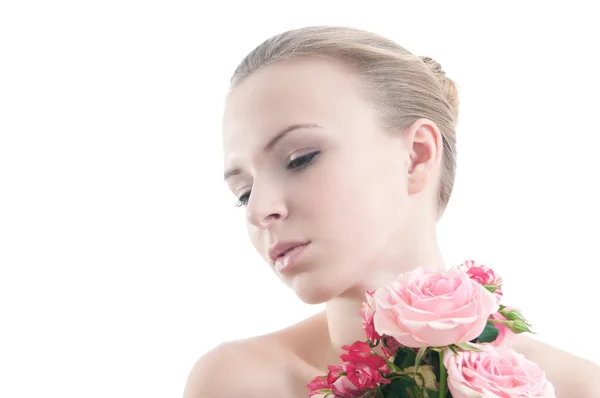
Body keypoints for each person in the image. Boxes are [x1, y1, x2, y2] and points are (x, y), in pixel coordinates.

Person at [184, 26, 600, 397]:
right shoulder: (239, 384)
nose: (259, 210)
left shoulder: (576, 388)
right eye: (243, 191)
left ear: (417, 155)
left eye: (300, 158)